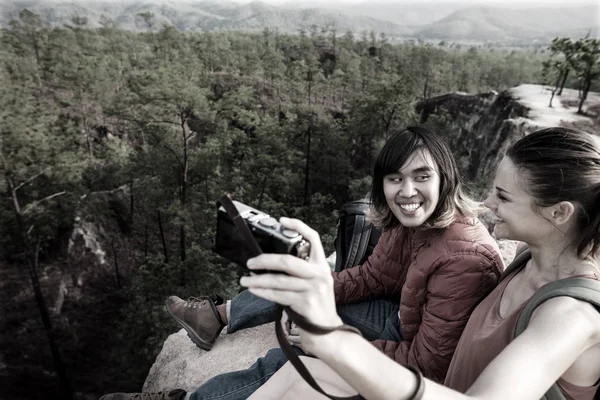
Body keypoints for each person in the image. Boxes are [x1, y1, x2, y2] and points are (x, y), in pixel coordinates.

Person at [100, 126, 504, 400]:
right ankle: (217, 315)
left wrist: (328, 339)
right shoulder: (410, 220)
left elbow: (425, 367)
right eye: (395, 178)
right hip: (404, 317)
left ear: (445, 179)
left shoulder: (464, 257)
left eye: (421, 176)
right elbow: (373, 276)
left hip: (415, 347)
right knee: (303, 281)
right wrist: (313, 293)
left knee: (298, 358)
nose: (407, 190)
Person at [244, 126, 600, 400]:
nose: (489, 202)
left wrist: (333, 338)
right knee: (293, 374)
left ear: (559, 212)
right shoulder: (530, 259)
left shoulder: (571, 316)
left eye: (504, 196)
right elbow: (376, 274)